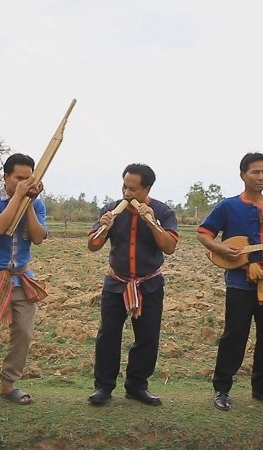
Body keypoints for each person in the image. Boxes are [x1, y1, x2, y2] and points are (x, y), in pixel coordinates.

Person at [196, 152, 263, 411]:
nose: (261, 177)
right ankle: (222, 388)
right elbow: (204, 233)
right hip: (239, 282)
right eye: (255, 172)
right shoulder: (227, 206)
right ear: (243, 175)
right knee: (234, 335)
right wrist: (219, 249)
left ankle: (262, 387)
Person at [87, 163, 178, 406]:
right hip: (116, 283)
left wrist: (151, 222)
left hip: (149, 284)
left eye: (133, 189)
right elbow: (92, 245)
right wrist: (105, 227)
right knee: (108, 335)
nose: (127, 194)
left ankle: (137, 386)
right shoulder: (110, 210)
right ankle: (103, 387)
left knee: (147, 337)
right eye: (124, 187)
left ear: (147, 188)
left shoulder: (163, 211)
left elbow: (169, 247)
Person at [0, 153, 48, 406]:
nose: (24, 183)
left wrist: (29, 204)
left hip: (21, 278)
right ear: (5, 177)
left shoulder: (37, 204)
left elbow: (38, 237)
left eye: (29, 178)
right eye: (19, 178)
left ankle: (7, 384)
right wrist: (18, 198)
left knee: (23, 333)